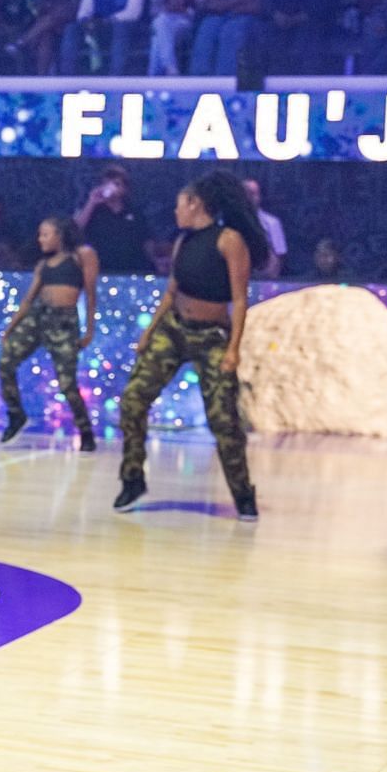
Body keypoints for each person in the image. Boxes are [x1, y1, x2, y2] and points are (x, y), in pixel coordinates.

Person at [114, 169, 270, 521]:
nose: (175, 212)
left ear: (195, 203)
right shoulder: (184, 241)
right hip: (173, 330)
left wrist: (233, 348)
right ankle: (132, 477)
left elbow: (240, 300)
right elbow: (172, 291)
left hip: (211, 336)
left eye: (179, 205)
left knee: (223, 420)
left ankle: (243, 493)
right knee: (133, 400)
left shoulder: (229, 240)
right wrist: (149, 331)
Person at [0, 217, 99, 448]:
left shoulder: (82, 255)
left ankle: (85, 431)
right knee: (5, 362)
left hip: (64, 322)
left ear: (59, 235)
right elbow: (28, 300)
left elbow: (91, 294)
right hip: (38, 318)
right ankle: (16, 413)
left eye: (45, 234)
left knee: (66, 384)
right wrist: (10, 328)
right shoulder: (43, 265)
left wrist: (89, 329)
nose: (40, 239)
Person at [74, 163, 154, 273]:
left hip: (129, 268)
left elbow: (146, 240)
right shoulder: (92, 210)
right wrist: (92, 202)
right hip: (100, 268)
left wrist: (153, 263)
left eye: (117, 184)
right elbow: (76, 229)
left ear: (125, 189)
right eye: (106, 183)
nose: (111, 187)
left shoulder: (135, 213)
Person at [242, 179, 287, 278]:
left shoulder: (272, 223)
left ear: (259, 196)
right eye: (245, 193)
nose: (249, 198)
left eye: (252, 194)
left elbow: (280, 254)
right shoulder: (228, 223)